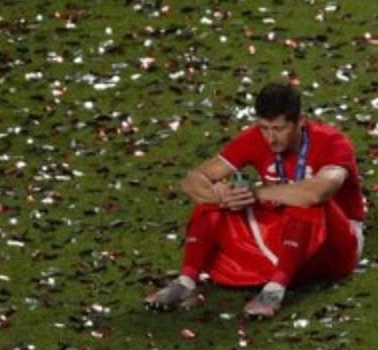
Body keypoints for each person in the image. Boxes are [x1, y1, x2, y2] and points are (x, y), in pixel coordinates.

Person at [148, 83, 366, 318]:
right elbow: (194, 179)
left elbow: (318, 192)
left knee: (307, 200)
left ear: (301, 121)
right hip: (288, 234)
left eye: (279, 129)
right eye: (264, 128)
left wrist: (257, 192)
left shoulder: (332, 142)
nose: (270, 138)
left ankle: (274, 290)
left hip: (337, 244)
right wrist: (221, 194)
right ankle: (186, 282)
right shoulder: (255, 138)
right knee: (214, 199)